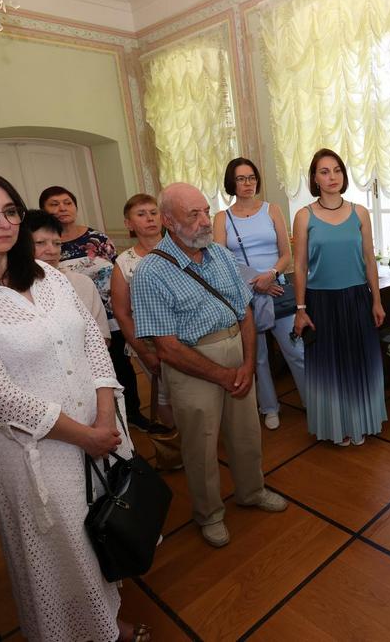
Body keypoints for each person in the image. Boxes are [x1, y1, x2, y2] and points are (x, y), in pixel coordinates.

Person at [0, 165, 148, 642]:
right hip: (40, 452)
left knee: (106, 528)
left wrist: (105, 415)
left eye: (10, 211)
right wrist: (85, 436)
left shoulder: (45, 275)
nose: (3, 223)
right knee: (66, 550)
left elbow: (92, 341)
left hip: (101, 428)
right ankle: (90, 631)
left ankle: (107, 616)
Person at [131, 182, 287, 549]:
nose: (205, 221)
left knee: (246, 434)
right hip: (192, 366)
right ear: (169, 221)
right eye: (193, 215)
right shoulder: (151, 272)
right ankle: (210, 514)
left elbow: (245, 312)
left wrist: (247, 365)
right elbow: (167, 347)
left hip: (237, 354)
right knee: (200, 446)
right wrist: (223, 374)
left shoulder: (219, 254)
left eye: (205, 211)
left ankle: (252, 491)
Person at [292, 149, 387, 446]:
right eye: (324, 171)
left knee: (359, 363)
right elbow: (299, 266)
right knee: (330, 369)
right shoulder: (303, 216)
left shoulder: (360, 213)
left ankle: (361, 423)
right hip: (320, 303)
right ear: (315, 178)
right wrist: (300, 308)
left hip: (357, 298)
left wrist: (376, 300)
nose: (332, 177)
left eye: (337, 170)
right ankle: (336, 427)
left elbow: (369, 259)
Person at [39, 185, 150, 431]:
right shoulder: (46, 247)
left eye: (67, 202)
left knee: (122, 367)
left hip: (110, 316)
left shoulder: (97, 239)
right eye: (54, 204)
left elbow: (118, 272)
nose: (62, 208)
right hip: (75, 322)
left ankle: (132, 413)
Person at [214, 158, 305, 431]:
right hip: (245, 296)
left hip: (277, 290)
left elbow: (286, 254)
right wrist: (254, 283)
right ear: (232, 183)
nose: (248, 183)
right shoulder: (222, 218)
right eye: (241, 178)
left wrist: (271, 275)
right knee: (259, 357)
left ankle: (313, 402)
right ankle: (269, 407)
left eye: (251, 177)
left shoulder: (272, 210)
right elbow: (221, 261)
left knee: (296, 351)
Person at [111, 194, 176, 434]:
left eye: (153, 212)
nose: (149, 218)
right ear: (129, 223)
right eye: (141, 214)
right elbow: (122, 313)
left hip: (188, 334)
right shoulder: (124, 262)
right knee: (164, 393)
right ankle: (177, 437)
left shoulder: (181, 249)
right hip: (150, 341)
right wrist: (145, 352)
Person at [25, 209, 111, 342]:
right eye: (40, 243)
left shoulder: (80, 283)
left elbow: (102, 336)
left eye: (57, 243)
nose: (52, 251)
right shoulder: (10, 287)